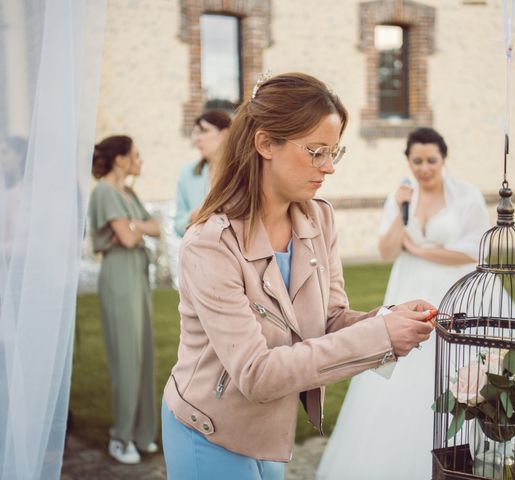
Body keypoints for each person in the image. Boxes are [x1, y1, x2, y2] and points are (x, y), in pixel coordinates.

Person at [317, 129, 515, 479]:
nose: (424, 168)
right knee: (404, 368)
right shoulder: (401, 196)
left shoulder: (465, 195)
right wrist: (400, 207)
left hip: (459, 292)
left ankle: (489, 451)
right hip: (409, 287)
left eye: (431, 161)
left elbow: (475, 251)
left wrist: (423, 251)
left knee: (467, 359)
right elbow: (386, 251)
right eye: (416, 161)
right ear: (408, 161)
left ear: (443, 159)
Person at [160, 72, 437, 480]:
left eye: (334, 153)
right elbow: (256, 374)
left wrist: (390, 321)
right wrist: (380, 337)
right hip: (207, 431)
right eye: (316, 152)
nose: (329, 168)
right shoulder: (209, 244)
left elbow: (329, 319)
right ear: (265, 143)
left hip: (270, 430)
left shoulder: (318, 218)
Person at [88, 135, 161, 464]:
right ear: (120, 159)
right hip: (118, 276)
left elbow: (156, 227)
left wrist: (135, 225)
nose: (140, 160)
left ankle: (143, 433)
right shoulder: (104, 191)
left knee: (144, 354)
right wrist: (137, 226)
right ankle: (121, 437)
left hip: (137, 276)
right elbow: (130, 239)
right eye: (135, 154)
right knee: (126, 358)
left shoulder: (127, 192)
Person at [174, 109, 232, 237]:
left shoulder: (241, 171)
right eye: (195, 133)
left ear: (225, 134)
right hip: (198, 251)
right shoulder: (187, 174)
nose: (197, 139)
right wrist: (192, 216)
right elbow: (178, 225)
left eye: (204, 131)